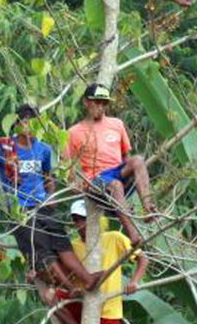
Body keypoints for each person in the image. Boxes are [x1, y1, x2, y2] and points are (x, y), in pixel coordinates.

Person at [0, 104, 101, 291]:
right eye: (28, 123)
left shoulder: (44, 149)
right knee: (42, 250)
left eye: (36, 124)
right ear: (18, 124)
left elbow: (48, 175)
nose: (31, 128)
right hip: (21, 210)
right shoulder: (4, 147)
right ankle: (70, 288)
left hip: (42, 205)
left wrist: (51, 196)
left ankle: (88, 279)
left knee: (62, 244)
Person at [65, 83, 155, 247]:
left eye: (104, 103)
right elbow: (67, 167)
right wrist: (73, 183)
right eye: (97, 102)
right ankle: (133, 235)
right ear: (86, 102)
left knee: (138, 160)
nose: (101, 107)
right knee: (114, 185)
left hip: (117, 172)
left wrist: (135, 171)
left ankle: (148, 208)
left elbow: (125, 157)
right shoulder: (74, 132)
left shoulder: (116, 124)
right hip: (95, 181)